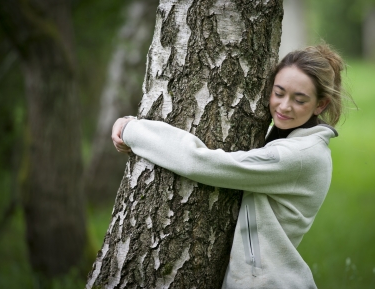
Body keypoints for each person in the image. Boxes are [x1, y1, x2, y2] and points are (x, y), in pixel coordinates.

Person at [112, 44, 351, 289]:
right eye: (278, 93)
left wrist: (133, 130)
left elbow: (202, 163)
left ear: (320, 105)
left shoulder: (297, 155)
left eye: (299, 100)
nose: (284, 106)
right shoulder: (299, 141)